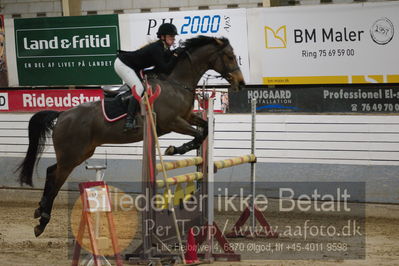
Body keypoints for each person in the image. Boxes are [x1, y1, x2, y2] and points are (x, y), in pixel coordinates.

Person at [114, 23, 183, 131]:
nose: (173, 39)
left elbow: (168, 59)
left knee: (143, 87)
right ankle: (129, 122)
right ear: (162, 37)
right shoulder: (156, 48)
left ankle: (126, 101)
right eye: (171, 36)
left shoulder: (163, 47)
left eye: (174, 37)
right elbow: (165, 68)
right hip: (123, 64)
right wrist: (175, 55)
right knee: (139, 88)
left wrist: (177, 52)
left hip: (133, 67)